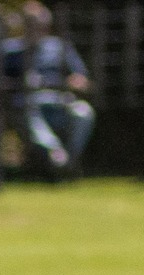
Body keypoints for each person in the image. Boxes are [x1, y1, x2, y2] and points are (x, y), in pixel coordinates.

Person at [7, 1, 94, 176]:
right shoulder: (10, 51)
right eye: (32, 26)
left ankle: (68, 160)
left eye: (41, 26)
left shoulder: (59, 47)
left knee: (83, 112)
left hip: (59, 101)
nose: (37, 31)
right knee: (28, 109)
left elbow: (83, 80)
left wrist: (74, 82)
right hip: (27, 102)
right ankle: (56, 152)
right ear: (24, 26)